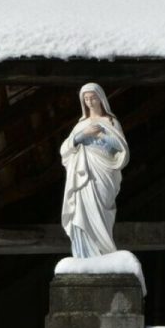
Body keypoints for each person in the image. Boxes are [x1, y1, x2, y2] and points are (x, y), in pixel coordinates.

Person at [60, 83, 130, 258]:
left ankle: (104, 251)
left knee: (101, 210)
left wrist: (101, 136)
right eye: (86, 98)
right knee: (82, 211)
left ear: (101, 98)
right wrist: (83, 135)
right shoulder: (81, 125)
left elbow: (122, 149)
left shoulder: (111, 122)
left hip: (104, 172)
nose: (89, 101)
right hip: (82, 173)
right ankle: (84, 254)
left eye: (93, 97)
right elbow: (65, 149)